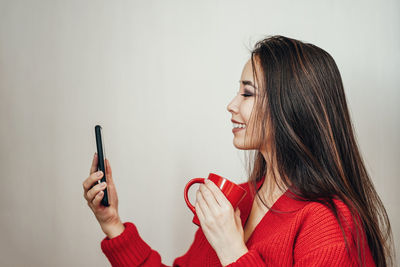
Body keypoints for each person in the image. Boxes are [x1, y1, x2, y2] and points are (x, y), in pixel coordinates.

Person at [82, 35, 394, 266]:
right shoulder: (237, 201)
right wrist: (112, 223)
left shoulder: (328, 222)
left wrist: (231, 248)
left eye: (247, 93)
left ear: (291, 105)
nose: (231, 105)